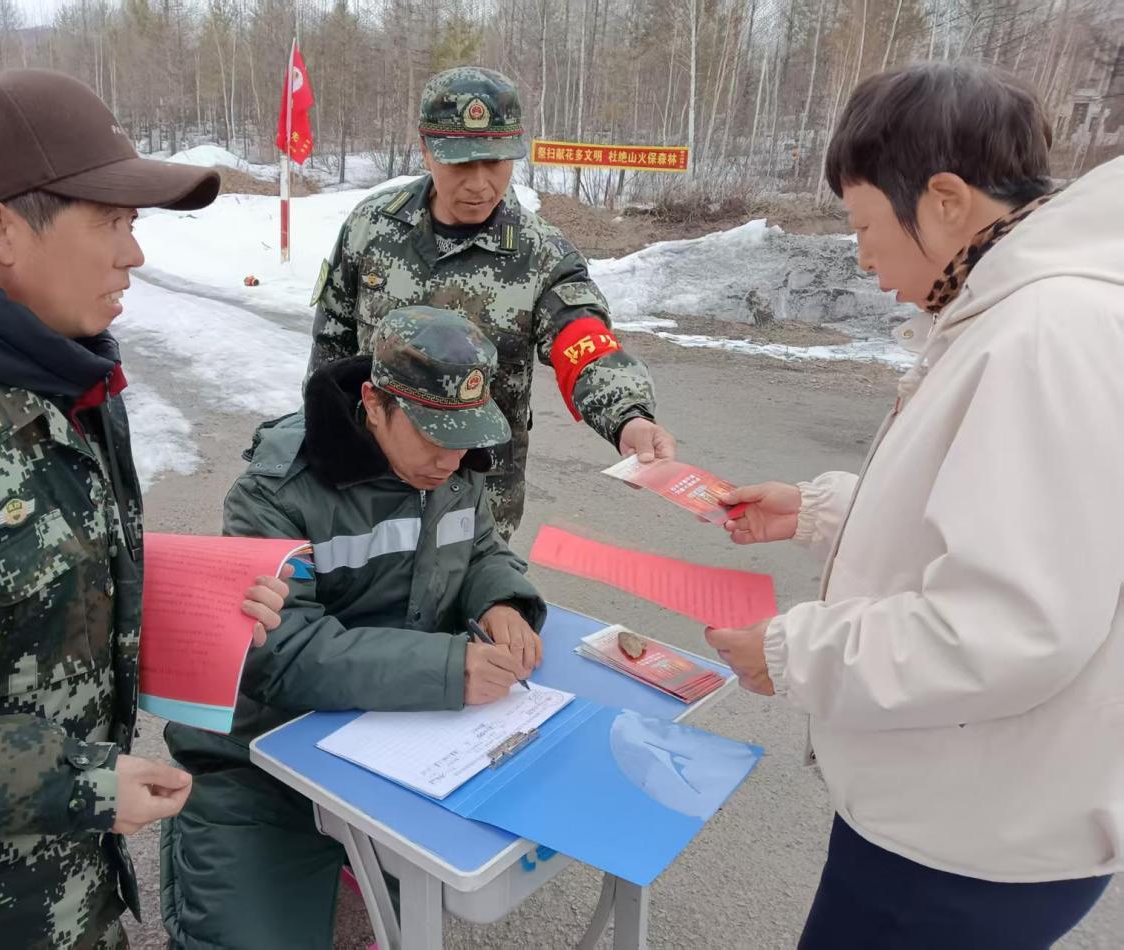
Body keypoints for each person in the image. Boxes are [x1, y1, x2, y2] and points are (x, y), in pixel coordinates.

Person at [0, 68, 288, 947]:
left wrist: (186, 608)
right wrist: (78, 785)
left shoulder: (58, 369)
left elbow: (3, 595)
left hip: (71, 898)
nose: (134, 255)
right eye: (112, 222)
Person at [705, 62, 1121, 949]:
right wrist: (820, 512)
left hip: (963, 845)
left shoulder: (1045, 332)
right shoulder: (1021, 313)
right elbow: (992, 523)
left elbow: (1007, 626)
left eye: (863, 224)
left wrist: (791, 652)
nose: (862, 258)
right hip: (973, 810)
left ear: (944, 201)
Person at [161, 307, 548, 950]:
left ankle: (355, 857)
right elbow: (281, 652)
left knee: (458, 879)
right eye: (432, 436)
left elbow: (482, 548)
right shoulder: (277, 490)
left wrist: (501, 602)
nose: (452, 459)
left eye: (465, 437)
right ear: (373, 403)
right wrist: (448, 669)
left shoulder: (453, 465)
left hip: (398, 736)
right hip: (263, 757)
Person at [307, 66, 677, 539]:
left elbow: (583, 341)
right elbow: (330, 355)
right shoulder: (372, 228)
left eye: (496, 162)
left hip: (477, 502)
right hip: (368, 488)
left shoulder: (541, 253)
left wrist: (629, 418)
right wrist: (316, 455)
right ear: (426, 149)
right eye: (461, 163)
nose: (480, 184)